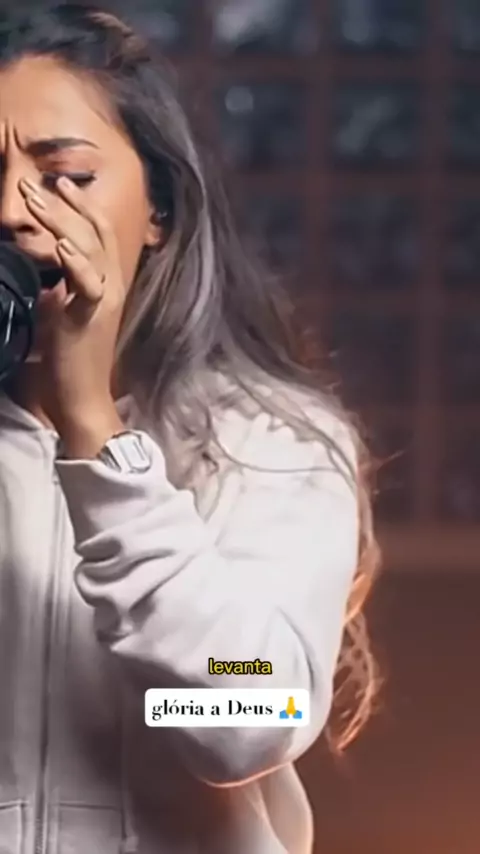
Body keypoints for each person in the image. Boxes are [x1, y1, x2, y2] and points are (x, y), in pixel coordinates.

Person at [0, 3, 380, 853]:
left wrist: (97, 440)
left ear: (159, 209)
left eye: (66, 176)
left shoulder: (266, 444)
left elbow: (250, 711)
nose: (14, 211)